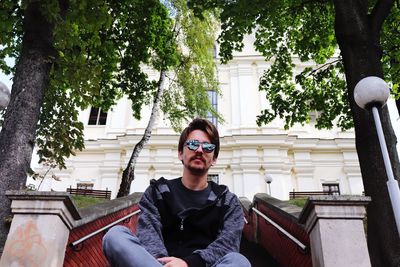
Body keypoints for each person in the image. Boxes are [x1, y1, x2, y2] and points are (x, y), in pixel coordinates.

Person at [103, 118, 251, 267]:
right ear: (180, 153)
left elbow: (227, 246)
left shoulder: (228, 201)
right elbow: (149, 238)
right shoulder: (157, 193)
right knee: (115, 236)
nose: (199, 150)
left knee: (239, 261)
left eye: (207, 147)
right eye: (193, 144)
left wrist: (188, 263)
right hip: (159, 265)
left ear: (214, 159)